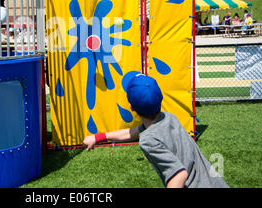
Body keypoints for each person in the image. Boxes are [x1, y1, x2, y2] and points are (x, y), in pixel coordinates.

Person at [83, 73, 229, 188]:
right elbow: (133, 132)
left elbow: (179, 175)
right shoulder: (168, 118)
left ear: (131, 107)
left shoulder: (148, 140)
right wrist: (98, 137)